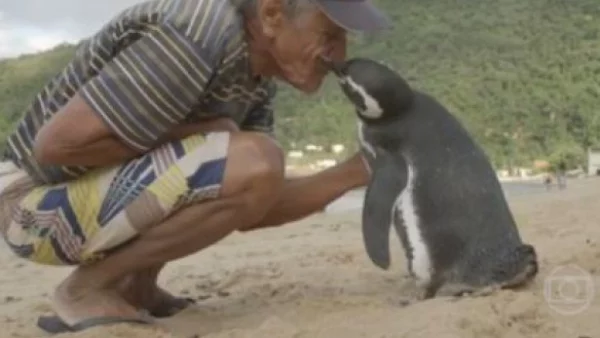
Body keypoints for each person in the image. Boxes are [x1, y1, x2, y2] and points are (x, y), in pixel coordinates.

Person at [0, 0, 391, 333]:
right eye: (329, 36)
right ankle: (85, 290)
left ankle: (136, 285)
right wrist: (202, 131)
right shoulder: (198, 32)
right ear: (272, 14)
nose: (339, 55)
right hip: (28, 204)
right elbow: (55, 146)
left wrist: (357, 171)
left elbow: (254, 200)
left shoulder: (255, 80)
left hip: (77, 198)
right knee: (255, 156)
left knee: (254, 160)